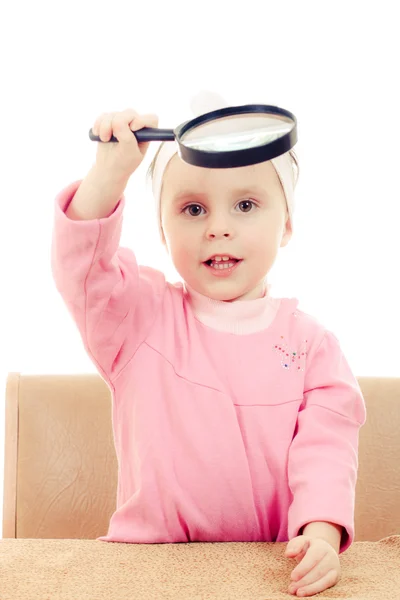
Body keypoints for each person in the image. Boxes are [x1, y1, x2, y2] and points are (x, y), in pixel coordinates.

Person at [51, 95, 366, 597]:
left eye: (246, 204)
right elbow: (82, 272)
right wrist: (108, 175)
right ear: (162, 229)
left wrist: (321, 536)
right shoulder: (139, 314)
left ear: (286, 223)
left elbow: (326, 453)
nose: (218, 226)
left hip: (264, 573)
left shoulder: (313, 346)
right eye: (193, 208)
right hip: (143, 572)